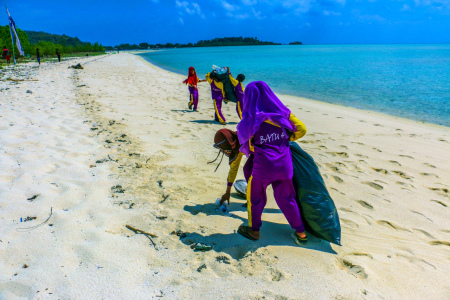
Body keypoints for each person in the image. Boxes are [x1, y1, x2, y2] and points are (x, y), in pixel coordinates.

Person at [236, 81, 308, 245]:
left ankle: (254, 231)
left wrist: (256, 146)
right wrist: (287, 139)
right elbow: (302, 129)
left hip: (263, 168)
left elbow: (246, 144)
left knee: (255, 198)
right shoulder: (284, 114)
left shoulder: (250, 119)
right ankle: (301, 233)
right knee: (288, 198)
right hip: (284, 165)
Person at [211, 129, 253, 206]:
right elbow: (233, 170)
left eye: (224, 148)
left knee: (253, 172)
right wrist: (228, 192)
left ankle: (254, 200)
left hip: (266, 150)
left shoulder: (244, 140)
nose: (224, 151)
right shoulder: (236, 149)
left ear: (228, 143)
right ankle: (252, 198)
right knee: (247, 169)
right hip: (257, 153)